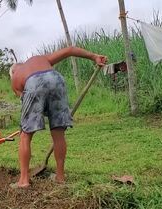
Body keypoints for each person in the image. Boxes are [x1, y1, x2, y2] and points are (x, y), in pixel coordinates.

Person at [10, 46, 107, 187]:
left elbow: (28, 104)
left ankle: (23, 180)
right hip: (56, 79)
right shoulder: (40, 59)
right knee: (58, 133)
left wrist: (38, 114)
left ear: (13, 72)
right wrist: (94, 56)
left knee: (25, 134)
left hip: (34, 83)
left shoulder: (15, 79)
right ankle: (60, 177)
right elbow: (70, 50)